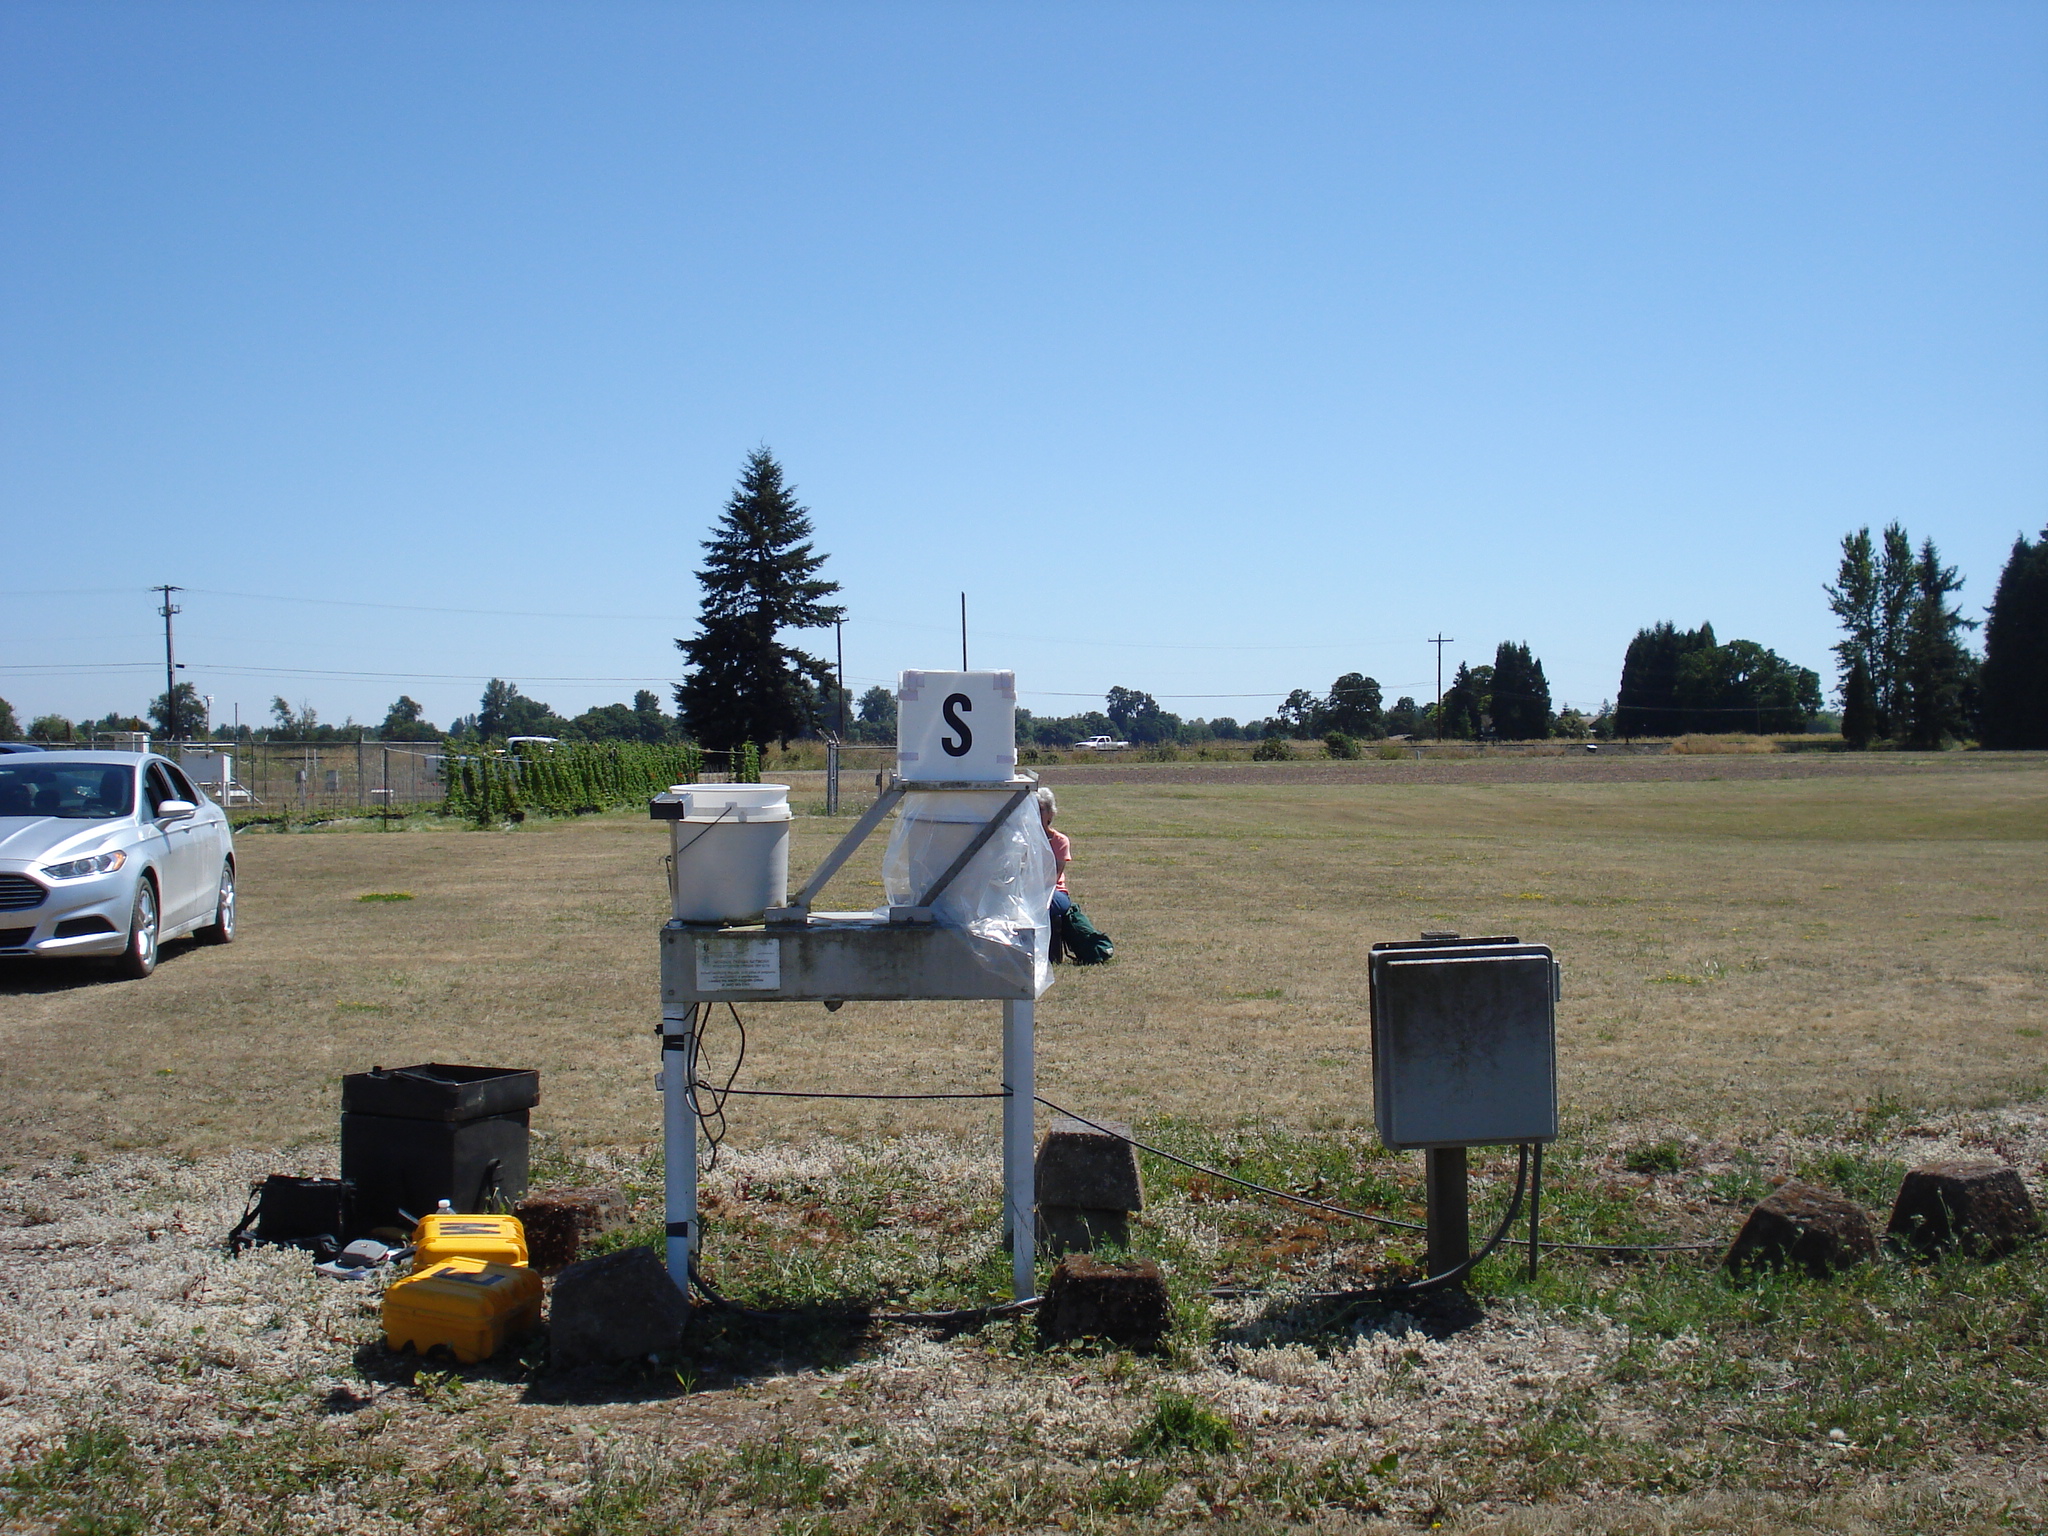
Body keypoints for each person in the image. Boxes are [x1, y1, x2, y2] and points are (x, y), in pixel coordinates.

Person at [1037, 786, 1072, 922]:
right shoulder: (1022, 839)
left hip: (1054, 892)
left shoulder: (1060, 841)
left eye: (1040, 809)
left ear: (1050, 813)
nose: (1036, 813)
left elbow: (1053, 878)